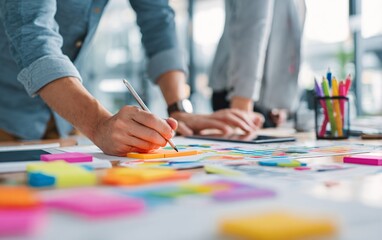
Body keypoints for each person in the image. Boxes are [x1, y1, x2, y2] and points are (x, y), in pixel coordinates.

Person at [0, 0, 263, 156]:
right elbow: (31, 34)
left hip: (65, 118)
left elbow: (158, 22)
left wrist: (179, 109)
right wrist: (98, 124)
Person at [210, 0, 306, 128]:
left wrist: (281, 101)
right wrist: (242, 103)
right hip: (239, 95)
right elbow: (251, 25)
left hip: (266, 103)